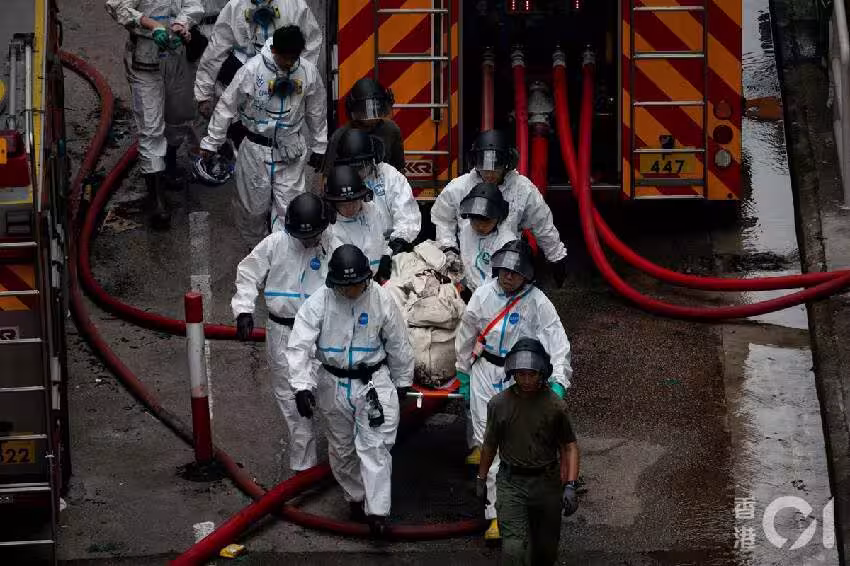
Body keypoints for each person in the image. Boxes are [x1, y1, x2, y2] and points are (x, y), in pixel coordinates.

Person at [287, 244, 414, 536]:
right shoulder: (319, 303)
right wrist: (302, 386)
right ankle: (356, 497)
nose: (351, 291)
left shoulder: (381, 299)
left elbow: (398, 342)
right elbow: (299, 345)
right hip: (332, 383)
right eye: (345, 286)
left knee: (375, 446)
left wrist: (402, 380)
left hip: (372, 382)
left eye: (356, 285)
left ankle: (378, 512)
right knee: (342, 448)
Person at [455, 238, 572, 541]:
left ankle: (527, 503)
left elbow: (558, 343)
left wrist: (559, 382)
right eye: (505, 270)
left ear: (527, 275)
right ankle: (497, 515)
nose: (508, 276)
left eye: (516, 272)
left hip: (521, 379)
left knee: (524, 444)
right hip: (485, 373)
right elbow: (466, 335)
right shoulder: (482, 296)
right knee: (490, 443)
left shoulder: (538, 302)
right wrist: (463, 374)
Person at [231, 193, 340, 473]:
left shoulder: (333, 245)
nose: (309, 241)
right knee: (293, 402)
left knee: (332, 394)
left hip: (321, 333)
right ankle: (304, 468)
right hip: (283, 333)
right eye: (304, 237)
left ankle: (343, 461)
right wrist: (243, 309)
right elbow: (248, 272)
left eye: (314, 235)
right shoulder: (275, 244)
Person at [199, 25, 327, 248]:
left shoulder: (307, 72)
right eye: (286, 58)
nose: (290, 63)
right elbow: (227, 106)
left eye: (294, 58)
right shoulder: (251, 71)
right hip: (255, 151)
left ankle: (285, 254)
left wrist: (320, 146)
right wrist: (211, 142)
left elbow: (317, 110)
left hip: (290, 150)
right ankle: (257, 251)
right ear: (275, 50)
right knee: (253, 210)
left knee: (290, 208)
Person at [477, 338, 580, 565]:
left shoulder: (555, 406)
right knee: (513, 549)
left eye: (531, 374)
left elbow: (569, 446)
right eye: (520, 374)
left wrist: (570, 485)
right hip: (512, 484)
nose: (525, 380)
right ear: (512, 373)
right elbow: (489, 444)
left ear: (541, 373)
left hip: (546, 483)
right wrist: (481, 479)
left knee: (546, 552)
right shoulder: (498, 405)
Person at [106, 0, 204, 229]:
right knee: (151, 128)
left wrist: (181, 24)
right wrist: (151, 25)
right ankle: (156, 196)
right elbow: (116, 6)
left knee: (179, 114)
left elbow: (194, 5)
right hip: (145, 61)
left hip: (177, 58)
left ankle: (169, 161)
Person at [430, 129, 569, 287]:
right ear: (474, 161)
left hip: (507, 268)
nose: (489, 174)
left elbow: (542, 223)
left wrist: (556, 256)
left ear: (508, 163)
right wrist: (448, 247)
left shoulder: (522, 189)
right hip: (467, 268)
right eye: (484, 168)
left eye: (495, 169)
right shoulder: (459, 188)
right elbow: (443, 219)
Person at [194, 0, 322, 121]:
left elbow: (312, 42)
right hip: (247, 87)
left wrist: (298, 76)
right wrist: (203, 95)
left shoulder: (295, 5)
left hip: (285, 86)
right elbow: (216, 51)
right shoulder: (235, 7)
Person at [333, 128, 421, 253]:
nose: (358, 172)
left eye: (362, 166)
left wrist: (398, 242)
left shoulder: (389, 176)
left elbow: (407, 214)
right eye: (353, 167)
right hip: (351, 249)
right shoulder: (338, 182)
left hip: (391, 243)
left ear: (372, 160)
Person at [322, 165, 393, 284]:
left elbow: (381, 239)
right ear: (334, 203)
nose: (350, 208)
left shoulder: (372, 210)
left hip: (378, 277)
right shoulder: (331, 228)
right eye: (343, 205)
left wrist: (386, 256)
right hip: (352, 283)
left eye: (354, 202)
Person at [324, 78, 405, 175]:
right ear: (355, 111)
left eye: (376, 111)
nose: (371, 119)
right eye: (365, 111)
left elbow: (399, 169)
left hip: (385, 182)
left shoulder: (391, 130)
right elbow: (328, 175)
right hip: (352, 182)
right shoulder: (340, 136)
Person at [457, 181, 517, 296]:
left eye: (487, 222)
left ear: (499, 218)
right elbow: (467, 260)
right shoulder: (466, 230)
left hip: (494, 296)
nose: (480, 226)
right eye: (475, 221)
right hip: (470, 289)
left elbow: (504, 280)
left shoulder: (507, 242)